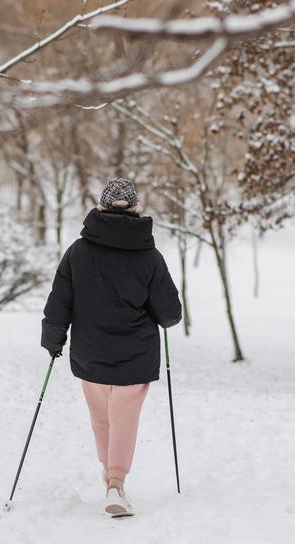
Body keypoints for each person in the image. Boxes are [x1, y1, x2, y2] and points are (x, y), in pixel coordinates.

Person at [41, 178, 182, 518]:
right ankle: (115, 483)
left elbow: (60, 300)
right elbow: (170, 314)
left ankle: (110, 475)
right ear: (135, 210)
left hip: (91, 351)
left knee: (101, 418)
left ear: (101, 207)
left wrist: (53, 339)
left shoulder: (79, 251)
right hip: (135, 355)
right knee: (125, 418)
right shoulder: (149, 256)